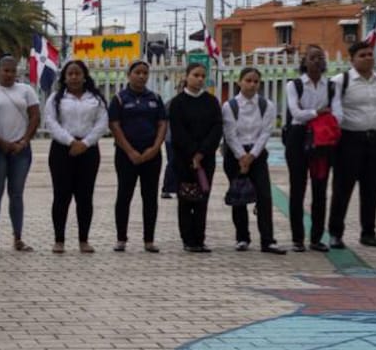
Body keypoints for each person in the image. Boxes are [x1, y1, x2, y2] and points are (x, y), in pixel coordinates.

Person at [328, 40, 376, 250]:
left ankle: (368, 232)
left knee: (372, 189)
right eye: (362, 55)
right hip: (349, 141)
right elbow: (331, 111)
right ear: (352, 59)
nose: (367, 58)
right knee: (342, 189)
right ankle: (336, 233)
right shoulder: (340, 81)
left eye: (370, 54)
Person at [42, 60, 105, 255]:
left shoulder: (96, 98)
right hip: (62, 150)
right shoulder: (55, 98)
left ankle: (84, 240)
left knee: (85, 197)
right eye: (70, 74)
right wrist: (71, 142)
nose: (74, 77)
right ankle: (59, 240)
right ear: (64, 77)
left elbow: (102, 122)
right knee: (62, 196)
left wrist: (85, 143)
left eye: (78, 73)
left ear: (85, 76)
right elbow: (51, 123)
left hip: (89, 150)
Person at [221, 67, 285, 254]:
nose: (252, 84)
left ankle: (268, 240)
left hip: (257, 155)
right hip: (235, 156)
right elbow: (230, 134)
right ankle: (242, 238)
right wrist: (241, 156)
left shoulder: (267, 106)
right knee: (238, 196)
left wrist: (252, 156)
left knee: (264, 196)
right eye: (248, 80)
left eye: (256, 81)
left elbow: (266, 132)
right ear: (239, 82)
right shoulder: (229, 106)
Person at [0, 57, 40, 254]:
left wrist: (24, 141)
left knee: (16, 194)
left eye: (13, 71)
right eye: (5, 70)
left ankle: (18, 237)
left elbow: (35, 116)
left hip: (20, 150)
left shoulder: (26, 90)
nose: (9, 74)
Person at [108, 60, 168, 253]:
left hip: (151, 154)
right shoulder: (119, 99)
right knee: (124, 195)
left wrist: (155, 147)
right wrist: (130, 151)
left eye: (145, 73)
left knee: (150, 197)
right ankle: (121, 239)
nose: (141, 76)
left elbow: (162, 124)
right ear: (129, 74)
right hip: (126, 155)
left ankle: (149, 240)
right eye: (137, 72)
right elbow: (115, 126)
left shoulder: (155, 98)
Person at [283, 45, 334, 252]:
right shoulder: (294, 85)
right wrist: (319, 112)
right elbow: (296, 113)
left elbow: (336, 112)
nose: (316, 61)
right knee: (298, 188)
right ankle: (297, 238)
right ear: (304, 61)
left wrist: (313, 113)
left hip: (321, 140)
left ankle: (316, 238)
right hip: (298, 137)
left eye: (320, 57)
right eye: (312, 57)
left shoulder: (330, 86)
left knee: (320, 189)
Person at [169, 63, 221, 253]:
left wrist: (202, 152)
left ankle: (200, 238)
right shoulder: (177, 103)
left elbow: (217, 128)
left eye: (202, 76)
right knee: (186, 199)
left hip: (205, 159)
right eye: (196, 75)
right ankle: (188, 239)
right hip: (184, 160)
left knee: (202, 199)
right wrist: (192, 153)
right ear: (187, 76)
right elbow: (178, 131)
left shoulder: (211, 101)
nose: (200, 79)